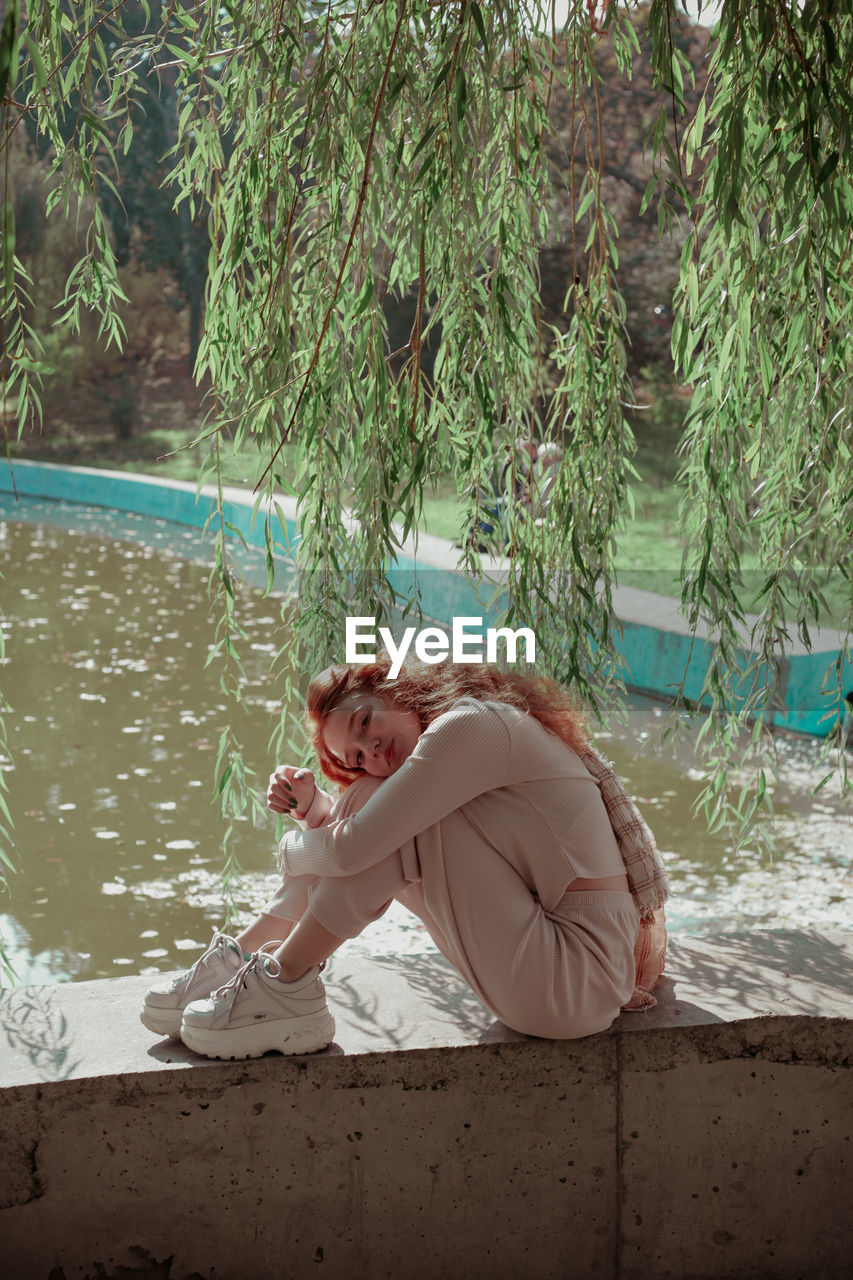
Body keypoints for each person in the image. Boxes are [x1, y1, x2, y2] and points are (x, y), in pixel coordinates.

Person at [141, 659, 668, 1059]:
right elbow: (361, 839)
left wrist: (292, 848)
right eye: (356, 754)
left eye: (366, 722)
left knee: (395, 818)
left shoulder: (471, 726)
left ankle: (284, 981)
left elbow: (355, 848)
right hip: (556, 971)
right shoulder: (459, 736)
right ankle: (248, 960)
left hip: (573, 976)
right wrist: (318, 813)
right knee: (380, 800)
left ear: (396, 689)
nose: (371, 750)